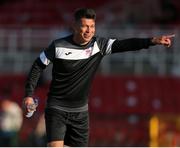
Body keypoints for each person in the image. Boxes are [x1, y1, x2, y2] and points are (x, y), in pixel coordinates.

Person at [22, 8, 174, 147]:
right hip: (57, 108)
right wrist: (29, 95)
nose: (89, 30)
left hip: (80, 112)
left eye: (92, 26)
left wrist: (152, 41)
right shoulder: (58, 46)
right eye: (85, 26)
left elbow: (126, 44)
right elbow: (37, 66)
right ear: (75, 26)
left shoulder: (98, 45)